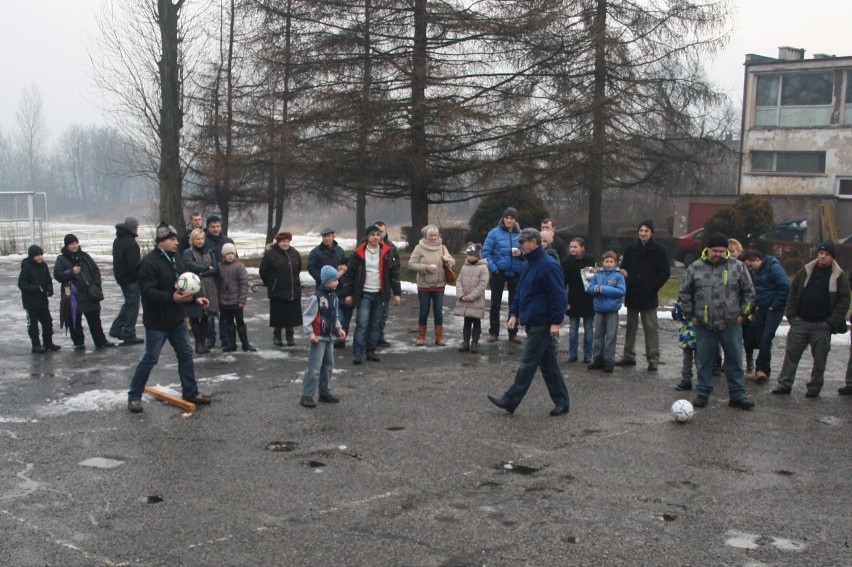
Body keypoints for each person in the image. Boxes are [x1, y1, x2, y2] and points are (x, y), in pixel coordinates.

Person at [127, 222, 212, 413]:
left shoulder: (177, 259)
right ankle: (134, 396)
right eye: (172, 240)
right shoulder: (148, 263)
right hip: (157, 321)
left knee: (186, 354)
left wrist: (196, 299)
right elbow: (148, 293)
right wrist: (171, 298)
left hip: (176, 318)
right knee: (151, 358)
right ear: (161, 242)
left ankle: (190, 392)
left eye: (176, 239)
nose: (176, 243)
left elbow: (184, 286)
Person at [487, 228, 570, 416]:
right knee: (549, 365)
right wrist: (514, 314)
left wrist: (556, 322)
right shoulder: (527, 264)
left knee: (528, 363)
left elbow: (559, 295)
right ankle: (562, 401)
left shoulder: (548, 265)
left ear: (534, 242)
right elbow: (521, 293)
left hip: (543, 321)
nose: (519, 245)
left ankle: (510, 399)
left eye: (523, 242)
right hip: (532, 320)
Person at [679, 232, 756, 410]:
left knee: (735, 361)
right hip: (704, 324)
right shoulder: (695, 267)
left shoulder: (737, 266)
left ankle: (737, 395)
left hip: (731, 323)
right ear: (708, 250)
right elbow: (685, 292)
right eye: (715, 251)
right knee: (704, 362)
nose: (718, 254)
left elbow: (749, 292)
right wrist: (691, 315)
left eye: (722, 251)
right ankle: (703, 393)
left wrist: (742, 314)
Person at [771, 241, 850, 398]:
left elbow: (844, 300)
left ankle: (814, 387)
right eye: (821, 253)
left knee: (820, 359)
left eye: (826, 254)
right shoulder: (806, 270)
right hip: (801, 321)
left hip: (823, 325)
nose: (822, 256)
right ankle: (784, 384)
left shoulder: (839, 275)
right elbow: (793, 291)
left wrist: (831, 322)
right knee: (791, 355)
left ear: (832, 257)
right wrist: (792, 315)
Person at [341, 225, 401, 364]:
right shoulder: (358, 254)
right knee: (362, 323)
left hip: (380, 294)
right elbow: (349, 275)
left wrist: (397, 293)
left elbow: (394, 275)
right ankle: (358, 352)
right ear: (367, 237)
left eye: (378, 234)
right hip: (364, 294)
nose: (375, 237)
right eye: (372, 234)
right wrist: (348, 293)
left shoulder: (387, 253)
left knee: (375, 324)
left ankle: (371, 350)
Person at [616, 220, 670, 371]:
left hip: (648, 294)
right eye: (641, 230)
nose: (643, 233)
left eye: (646, 230)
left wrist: (654, 286)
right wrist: (625, 276)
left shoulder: (659, 250)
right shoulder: (630, 249)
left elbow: (665, 272)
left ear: (651, 232)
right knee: (630, 327)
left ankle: (653, 358)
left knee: (651, 328)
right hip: (633, 293)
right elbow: (624, 267)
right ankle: (628, 355)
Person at [54, 234, 114, 350]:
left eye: (76, 243)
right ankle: (78, 343)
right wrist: (71, 272)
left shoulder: (85, 256)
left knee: (95, 319)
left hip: (89, 293)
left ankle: (100, 341)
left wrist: (96, 284)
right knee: (74, 320)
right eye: (72, 244)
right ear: (67, 245)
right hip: (73, 295)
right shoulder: (61, 259)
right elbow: (58, 275)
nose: (75, 246)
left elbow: (95, 270)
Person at [299, 265, 346, 408]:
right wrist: (310, 333)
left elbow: (335, 315)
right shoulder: (316, 297)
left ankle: (324, 391)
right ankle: (307, 395)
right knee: (314, 367)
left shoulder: (334, 297)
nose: (337, 282)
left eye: (337, 280)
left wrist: (338, 328)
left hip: (330, 336)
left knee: (328, 365)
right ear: (326, 281)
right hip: (318, 337)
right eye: (334, 280)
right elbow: (308, 316)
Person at [743, 250, 790, 382]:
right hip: (761, 309)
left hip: (773, 310)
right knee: (760, 339)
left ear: (757, 259)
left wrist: (774, 306)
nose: (750, 269)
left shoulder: (774, 268)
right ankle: (761, 370)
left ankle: (762, 371)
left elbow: (785, 286)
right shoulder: (757, 271)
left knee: (765, 339)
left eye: (750, 266)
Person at [408, 224, 455, 346]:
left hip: (439, 285)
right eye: (431, 235)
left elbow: (452, 261)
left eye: (435, 235)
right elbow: (411, 264)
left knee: (438, 311)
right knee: (424, 310)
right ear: (425, 236)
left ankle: (439, 337)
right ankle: (421, 337)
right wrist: (425, 268)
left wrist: (448, 260)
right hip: (424, 285)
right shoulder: (419, 248)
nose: (434, 238)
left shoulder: (442, 247)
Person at [482, 207, 523, 343]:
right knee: (495, 303)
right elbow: (486, 253)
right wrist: (495, 269)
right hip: (499, 272)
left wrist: (521, 254)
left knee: (514, 304)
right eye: (507, 218)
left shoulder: (521, 234)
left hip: (515, 272)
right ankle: (494, 332)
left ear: (515, 220)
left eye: (511, 218)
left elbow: (528, 252)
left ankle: (513, 332)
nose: (509, 220)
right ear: (503, 218)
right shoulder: (494, 233)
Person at [307, 227, 350, 348]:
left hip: (338, 287)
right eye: (324, 236)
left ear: (333, 236)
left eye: (329, 236)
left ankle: (339, 337)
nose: (326, 238)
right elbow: (311, 267)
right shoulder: (316, 252)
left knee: (338, 313)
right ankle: (324, 335)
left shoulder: (340, 251)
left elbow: (345, 264)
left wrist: (343, 269)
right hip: (323, 288)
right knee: (324, 313)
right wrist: (322, 280)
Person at [259, 231, 303, 347]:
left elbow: (298, 269)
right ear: (278, 242)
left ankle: (290, 336)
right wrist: (270, 283)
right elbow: (263, 271)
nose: (285, 244)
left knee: (291, 315)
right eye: (283, 241)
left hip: (292, 289)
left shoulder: (294, 253)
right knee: (278, 314)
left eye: (287, 241)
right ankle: (277, 335)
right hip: (277, 290)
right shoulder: (270, 254)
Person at [586, 251, 626, 373]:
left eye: (611, 262)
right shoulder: (597, 275)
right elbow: (590, 288)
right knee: (598, 336)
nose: (609, 264)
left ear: (615, 263)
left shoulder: (618, 276)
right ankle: (597, 359)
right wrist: (595, 289)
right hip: (599, 309)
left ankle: (609, 361)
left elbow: (620, 291)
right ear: (602, 262)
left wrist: (603, 289)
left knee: (610, 337)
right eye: (606, 261)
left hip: (612, 310)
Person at [183, 228, 220, 354]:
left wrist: (203, 271)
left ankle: (203, 342)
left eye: (202, 238)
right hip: (195, 285)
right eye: (197, 239)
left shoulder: (210, 252)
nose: (200, 241)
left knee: (206, 315)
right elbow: (190, 266)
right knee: (195, 315)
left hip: (209, 285)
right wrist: (206, 267)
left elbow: (215, 269)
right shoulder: (188, 252)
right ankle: (198, 343)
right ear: (192, 240)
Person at [18, 245, 61, 353]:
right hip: (30, 302)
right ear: (32, 256)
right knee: (33, 325)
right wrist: (36, 288)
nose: (39, 257)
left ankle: (48, 343)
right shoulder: (26, 267)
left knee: (47, 322)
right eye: (37, 255)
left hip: (42, 301)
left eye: (41, 255)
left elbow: (48, 280)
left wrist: (49, 289)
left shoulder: (43, 266)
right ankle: (36, 345)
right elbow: (22, 284)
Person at [109, 216, 144, 345]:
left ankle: (117, 328)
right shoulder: (131, 243)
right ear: (134, 227)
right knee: (133, 306)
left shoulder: (118, 240)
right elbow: (133, 265)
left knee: (129, 303)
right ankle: (129, 333)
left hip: (121, 277)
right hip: (131, 279)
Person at [562, 237, 595, 363]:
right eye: (571, 247)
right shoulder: (566, 262)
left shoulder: (590, 259)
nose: (572, 249)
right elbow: (563, 283)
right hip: (573, 297)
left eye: (575, 247)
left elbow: (594, 275)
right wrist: (565, 300)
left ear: (582, 248)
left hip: (588, 298)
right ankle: (573, 353)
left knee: (589, 327)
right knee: (573, 327)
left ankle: (588, 354)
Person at [203, 215, 234, 348]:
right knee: (210, 311)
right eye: (212, 227)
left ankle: (225, 337)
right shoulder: (203, 241)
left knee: (225, 311)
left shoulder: (227, 240)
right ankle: (210, 337)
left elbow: (234, 259)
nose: (215, 229)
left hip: (225, 280)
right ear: (208, 227)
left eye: (217, 226)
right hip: (209, 280)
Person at [218, 243, 256, 352]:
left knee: (240, 322)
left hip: (237, 300)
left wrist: (242, 299)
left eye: (232, 253)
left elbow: (244, 283)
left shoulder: (239, 266)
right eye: (227, 254)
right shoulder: (221, 266)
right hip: (225, 301)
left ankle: (245, 343)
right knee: (229, 322)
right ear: (224, 255)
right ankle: (231, 343)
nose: (230, 256)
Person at [454, 243, 489, 353]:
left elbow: (482, 285)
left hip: (476, 301)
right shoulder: (464, 266)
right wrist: (461, 295)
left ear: (478, 255)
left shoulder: (483, 268)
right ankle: (465, 342)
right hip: (465, 300)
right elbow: (458, 281)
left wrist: (471, 297)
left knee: (476, 321)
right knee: (467, 321)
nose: (469, 257)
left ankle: (475, 342)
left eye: (472, 255)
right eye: (468, 255)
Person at [374, 221, 400, 348]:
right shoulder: (364, 246)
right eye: (376, 232)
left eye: (381, 232)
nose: (378, 235)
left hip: (385, 287)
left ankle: (379, 337)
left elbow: (395, 271)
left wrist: (397, 292)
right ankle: (370, 337)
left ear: (385, 232)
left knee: (383, 314)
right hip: (369, 286)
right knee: (369, 315)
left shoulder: (391, 248)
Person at [671, 296, 698, 391]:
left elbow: (676, 314)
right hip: (701, 333)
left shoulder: (684, 297)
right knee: (701, 360)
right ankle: (702, 382)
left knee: (687, 359)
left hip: (687, 333)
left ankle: (686, 381)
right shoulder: (702, 295)